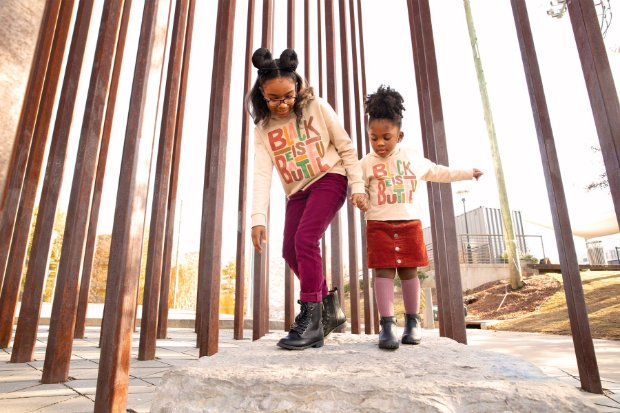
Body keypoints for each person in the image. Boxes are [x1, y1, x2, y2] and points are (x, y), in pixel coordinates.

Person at [247, 48, 367, 350]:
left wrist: (357, 186)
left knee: (305, 240)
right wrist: (257, 220)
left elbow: (346, 146)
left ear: (297, 87)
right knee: (290, 250)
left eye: (288, 95)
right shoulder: (263, 129)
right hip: (297, 192)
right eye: (274, 98)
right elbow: (262, 174)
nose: (283, 103)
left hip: (330, 178)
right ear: (261, 94)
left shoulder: (316, 106)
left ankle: (312, 319)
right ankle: (329, 311)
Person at [356, 85, 483, 350]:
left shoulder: (412, 157)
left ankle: (412, 323)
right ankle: (387, 325)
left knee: (409, 271)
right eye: (374, 137)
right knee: (383, 272)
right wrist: (360, 197)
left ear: (399, 135)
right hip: (378, 223)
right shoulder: (365, 162)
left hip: (409, 223)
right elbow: (358, 185)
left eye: (386, 137)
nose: (379, 143)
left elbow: (438, 172)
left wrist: (467, 172)